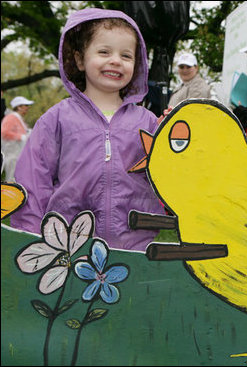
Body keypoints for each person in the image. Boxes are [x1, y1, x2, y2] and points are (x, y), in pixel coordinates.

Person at [11, 8, 165, 252]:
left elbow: (170, 176)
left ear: (136, 66)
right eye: (104, 52)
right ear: (80, 60)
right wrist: (28, 237)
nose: (115, 60)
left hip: (134, 248)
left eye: (126, 56)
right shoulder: (57, 118)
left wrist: (179, 133)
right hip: (68, 247)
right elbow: (33, 180)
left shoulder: (148, 123)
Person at [1, 96, 34, 182]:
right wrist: (21, 137)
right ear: (19, 107)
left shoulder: (18, 119)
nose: (28, 108)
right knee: (12, 181)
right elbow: (4, 132)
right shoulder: (11, 117)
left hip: (19, 156)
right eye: (26, 105)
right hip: (12, 157)